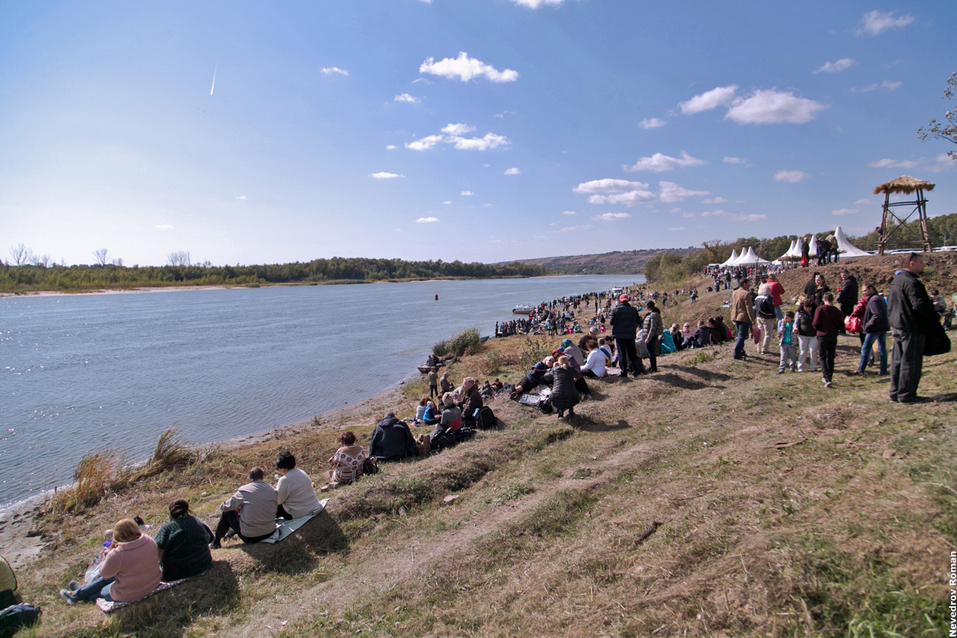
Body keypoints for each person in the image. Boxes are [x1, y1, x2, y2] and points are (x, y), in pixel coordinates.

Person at [61, 519, 161, 604]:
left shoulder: (118, 554)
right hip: (152, 583)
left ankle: (80, 595)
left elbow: (104, 573)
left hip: (131, 593)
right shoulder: (149, 541)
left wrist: (111, 552)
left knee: (100, 591)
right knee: (112, 578)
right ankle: (79, 592)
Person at [888, 253, 939, 403]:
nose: (923, 265)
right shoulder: (912, 282)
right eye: (921, 262)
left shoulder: (897, 281)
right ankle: (906, 394)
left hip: (898, 324)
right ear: (912, 263)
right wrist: (935, 316)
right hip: (911, 326)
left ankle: (895, 392)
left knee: (898, 360)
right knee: (911, 361)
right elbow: (919, 305)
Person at [211, 467, 278, 549]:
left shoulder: (245, 491)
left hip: (250, 536)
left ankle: (216, 541)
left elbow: (225, 507)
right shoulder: (272, 490)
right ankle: (229, 534)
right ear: (262, 477)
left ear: (249, 478)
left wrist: (237, 508)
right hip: (270, 532)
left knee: (227, 513)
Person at [154, 499, 214, 582]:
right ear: (187, 510)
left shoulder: (166, 529)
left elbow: (156, 555)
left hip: (176, 574)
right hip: (203, 566)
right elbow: (211, 538)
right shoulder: (198, 521)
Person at [274, 452, 320, 518]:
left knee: (270, 505)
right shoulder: (301, 472)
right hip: (313, 505)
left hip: (299, 512)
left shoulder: (284, 480)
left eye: (278, 468)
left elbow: (278, 500)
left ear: (283, 468)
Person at [812, 292, 844, 388]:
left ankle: (826, 377)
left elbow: (815, 323)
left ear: (823, 299)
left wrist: (818, 328)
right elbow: (842, 325)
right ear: (833, 300)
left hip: (822, 335)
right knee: (831, 357)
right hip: (833, 335)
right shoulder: (837, 310)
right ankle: (830, 376)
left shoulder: (820, 309)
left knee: (822, 357)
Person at [857, 284, 889, 375]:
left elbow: (877, 314)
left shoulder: (874, 300)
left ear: (871, 289)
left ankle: (861, 370)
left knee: (865, 348)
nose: (864, 293)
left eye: (865, 290)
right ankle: (883, 370)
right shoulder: (880, 298)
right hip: (882, 327)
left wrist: (868, 325)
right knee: (882, 349)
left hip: (875, 328)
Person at [610, 294, 643, 378]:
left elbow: (611, 322)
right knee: (632, 353)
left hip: (619, 335)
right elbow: (638, 321)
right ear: (627, 300)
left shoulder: (616, 310)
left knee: (622, 354)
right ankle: (634, 371)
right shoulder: (633, 310)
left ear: (620, 300)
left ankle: (624, 372)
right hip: (630, 334)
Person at [730, 278, 756, 360]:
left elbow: (732, 305)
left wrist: (732, 316)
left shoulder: (734, 292)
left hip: (735, 316)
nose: (749, 285)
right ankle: (737, 353)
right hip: (743, 317)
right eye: (748, 283)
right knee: (742, 336)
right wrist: (752, 319)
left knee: (739, 335)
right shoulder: (746, 294)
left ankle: (741, 351)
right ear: (744, 284)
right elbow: (749, 308)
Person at [795, 299, 819, 373]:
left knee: (813, 351)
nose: (808, 309)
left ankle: (814, 367)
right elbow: (796, 322)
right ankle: (801, 368)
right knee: (802, 352)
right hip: (803, 335)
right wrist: (795, 328)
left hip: (814, 335)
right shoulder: (799, 313)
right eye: (806, 307)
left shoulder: (816, 312)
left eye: (809, 307)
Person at [753, 283, 777, 355]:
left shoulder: (757, 297)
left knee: (760, 332)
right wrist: (774, 316)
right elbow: (771, 308)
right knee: (768, 333)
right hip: (767, 317)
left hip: (759, 316)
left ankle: (758, 348)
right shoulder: (768, 297)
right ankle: (765, 349)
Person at [642, 301, 663, 373]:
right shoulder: (654, 314)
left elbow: (652, 328)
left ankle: (653, 368)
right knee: (651, 352)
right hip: (652, 335)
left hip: (651, 336)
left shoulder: (653, 315)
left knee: (650, 352)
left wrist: (648, 338)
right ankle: (652, 366)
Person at [836, 270, 859, 334]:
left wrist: (839, 299)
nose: (843, 276)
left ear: (848, 274)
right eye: (842, 275)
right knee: (849, 316)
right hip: (851, 301)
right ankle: (850, 328)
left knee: (843, 316)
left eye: (844, 275)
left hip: (845, 301)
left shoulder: (847, 282)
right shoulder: (853, 281)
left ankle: (842, 329)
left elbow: (843, 291)